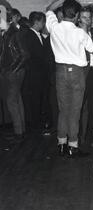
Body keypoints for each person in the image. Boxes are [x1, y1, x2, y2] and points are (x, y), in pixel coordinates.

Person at [46, 0, 93, 158]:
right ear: (76, 15)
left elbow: (48, 9)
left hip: (60, 71)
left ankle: (61, 143)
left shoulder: (54, 26)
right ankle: (73, 146)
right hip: (77, 73)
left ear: (62, 12)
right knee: (75, 111)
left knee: (63, 110)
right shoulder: (79, 32)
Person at [0, 8, 28, 143]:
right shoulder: (11, 32)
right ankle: (21, 131)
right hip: (15, 71)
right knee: (17, 100)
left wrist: (12, 69)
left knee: (11, 101)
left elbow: (24, 55)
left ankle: (18, 133)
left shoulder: (13, 33)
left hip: (14, 72)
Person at [78, 6, 93, 145]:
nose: (88, 20)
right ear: (78, 19)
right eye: (85, 17)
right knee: (79, 107)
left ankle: (91, 135)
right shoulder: (75, 35)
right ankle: (78, 136)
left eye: (90, 17)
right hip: (81, 73)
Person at [23, 12, 48, 132]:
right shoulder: (29, 35)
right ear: (37, 22)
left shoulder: (38, 35)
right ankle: (34, 126)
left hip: (39, 74)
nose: (44, 24)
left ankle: (37, 123)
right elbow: (33, 56)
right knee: (34, 100)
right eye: (43, 21)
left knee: (38, 100)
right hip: (34, 74)